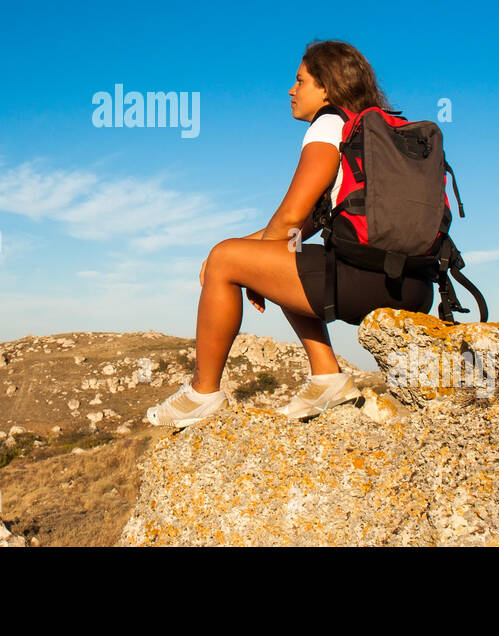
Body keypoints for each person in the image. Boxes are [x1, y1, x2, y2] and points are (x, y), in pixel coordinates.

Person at [145, 39, 436, 427]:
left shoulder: (329, 124)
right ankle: (325, 376)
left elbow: (289, 219)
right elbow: (303, 228)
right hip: (416, 287)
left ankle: (201, 394)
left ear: (326, 87)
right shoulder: (372, 132)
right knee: (278, 255)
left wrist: (247, 268)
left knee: (222, 258)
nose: (291, 90)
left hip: (363, 283)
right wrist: (258, 257)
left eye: (300, 81)